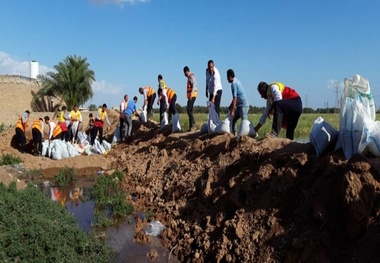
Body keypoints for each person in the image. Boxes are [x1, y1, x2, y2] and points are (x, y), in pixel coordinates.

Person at [226, 69, 249, 135]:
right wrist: (230, 107)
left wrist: (232, 111)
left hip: (243, 105)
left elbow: (235, 98)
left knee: (245, 123)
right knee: (233, 119)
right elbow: (234, 98)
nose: (227, 78)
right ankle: (234, 134)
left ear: (230, 76)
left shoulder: (234, 84)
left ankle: (249, 137)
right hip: (239, 106)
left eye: (227, 77)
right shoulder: (236, 81)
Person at [183, 66, 197, 131]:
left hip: (192, 96)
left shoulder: (191, 76)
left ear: (186, 71)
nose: (184, 75)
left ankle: (193, 125)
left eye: (184, 73)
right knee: (189, 110)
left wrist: (191, 94)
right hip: (191, 96)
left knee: (189, 110)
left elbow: (194, 85)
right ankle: (191, 126)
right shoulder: (189, 77)